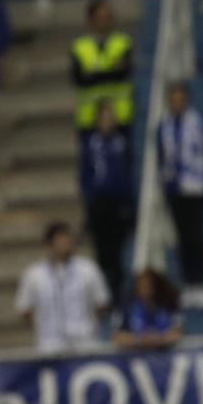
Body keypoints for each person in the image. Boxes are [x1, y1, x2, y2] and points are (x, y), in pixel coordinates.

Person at [158, 83, 203, 308]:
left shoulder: (198, 123)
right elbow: (161, 156)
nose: (177, 103)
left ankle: (200, 281)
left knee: (196, 235)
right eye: (174, 99)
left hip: (197, 187)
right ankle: (188, 283)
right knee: (181, 237)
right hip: (175, 188)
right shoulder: (164, 126)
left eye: (181, 98)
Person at [15, 222, 110, 353]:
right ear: (49, 244)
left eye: (69, 240)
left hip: (85, 342)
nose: (67, 245)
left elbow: (101, 304)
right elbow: (24, 308)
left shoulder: (88, 269)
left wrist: (88, 325)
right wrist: (42, 325)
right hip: (50, 344)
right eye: (61, 241)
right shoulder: (34, 274)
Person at [80, 105, 134, 300]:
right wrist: (90, 199)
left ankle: (119, 294)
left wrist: (128, 202)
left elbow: (127, 172)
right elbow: (85, 174)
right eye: (104, 118)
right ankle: (104, 294)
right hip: (99, 204)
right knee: (102, 253)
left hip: (119, 204)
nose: (108, 122)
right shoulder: (91, 144)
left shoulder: (121, 143)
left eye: (111, 118)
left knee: (118, 251)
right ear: (97, 121)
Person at [71, 0, 134, 138]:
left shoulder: (123, 42)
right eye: (99, 17)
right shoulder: (79, 46)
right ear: (90, 19)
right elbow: (78, 79)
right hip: (88, 118)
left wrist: (93, 73)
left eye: (107, 17)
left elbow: (123, 73)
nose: (104, 21)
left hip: (120, 116)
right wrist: (111, 69)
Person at [112, 269, 183, 350]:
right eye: (141, 285)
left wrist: (159, 339)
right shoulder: (126, 307)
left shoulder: (169, 305)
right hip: (135, 357)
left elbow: (178, 332)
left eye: (148, 285)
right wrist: (139, 340)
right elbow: (116, 337)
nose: (145, 288)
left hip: (164, 355)